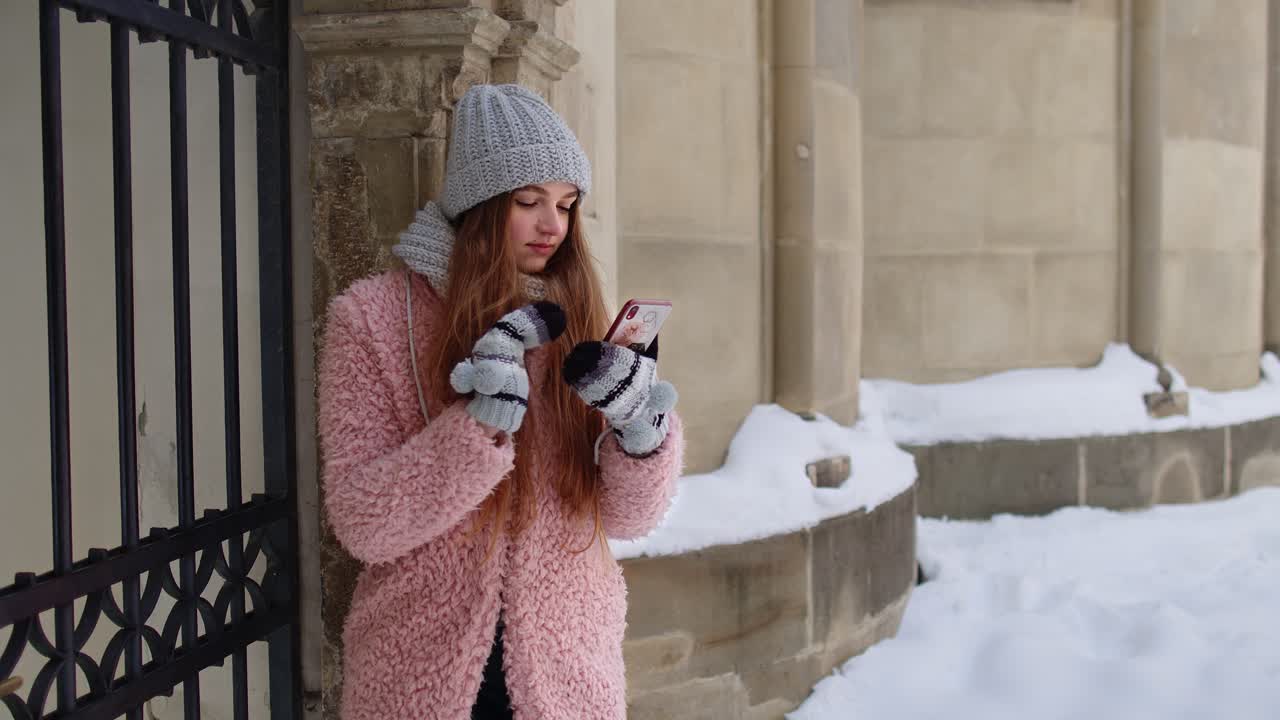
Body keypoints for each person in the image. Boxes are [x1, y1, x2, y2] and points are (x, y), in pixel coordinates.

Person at [317, 83, 684, 719]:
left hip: (568, 670)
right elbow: (362, 524)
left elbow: (628, 519)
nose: (554, 226)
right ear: (480, 204)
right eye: (529, 201)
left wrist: (640, 435)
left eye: (567, 205)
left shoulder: (579, 320)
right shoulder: (372, 320)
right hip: (420, 672)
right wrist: (478, 429)